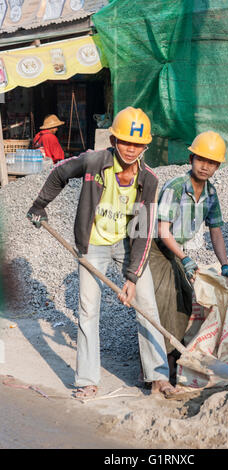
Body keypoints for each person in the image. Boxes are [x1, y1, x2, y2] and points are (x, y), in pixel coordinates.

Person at [27, 106, 176, 398]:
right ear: (113, 140)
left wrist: (131, 278)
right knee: (88, 311)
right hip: (93, 245)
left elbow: (143, 233)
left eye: (138, 144)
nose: (131, 149)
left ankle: (158, 377)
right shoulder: (94, 162)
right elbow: (59, 173)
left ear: (145, 145)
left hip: (127, 243)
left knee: (146, 306)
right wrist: (39, 205)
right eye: (125, 141)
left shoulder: (149, 180)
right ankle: (87, 381)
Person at [148, 131, 228, 380]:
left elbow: (216, 234)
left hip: (177, 250)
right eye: (201, 160)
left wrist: (225, 265)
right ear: (191, 158)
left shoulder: (211, 195)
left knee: (186, 303)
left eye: (211, 162)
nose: (205, 166)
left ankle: (173, 361)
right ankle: (158, 371)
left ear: (217, 166)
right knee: (165, 303)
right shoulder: (175, 187)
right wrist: (185, 258)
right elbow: (162, 231)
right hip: (156, 250)